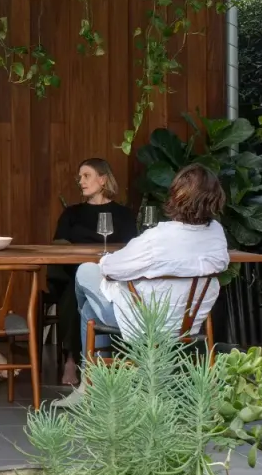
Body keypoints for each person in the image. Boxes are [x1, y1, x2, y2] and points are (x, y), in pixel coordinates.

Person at [55, 163, 229, 403]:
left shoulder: (158, 237)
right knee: (89, 309)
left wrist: (107, 263)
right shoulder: (216, 233)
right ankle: (94, 383)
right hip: (186, 323)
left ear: (177, 195)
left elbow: (112, 268)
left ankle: (91, 385)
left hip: (144, 322)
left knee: (85, 272)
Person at [47, 159, 139, 385]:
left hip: (115, 276)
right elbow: (58, 244)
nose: (81, 181)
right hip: (75, 272)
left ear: (103, 179)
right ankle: (71, 359)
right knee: (72, 291)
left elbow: (132, 246)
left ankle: (99, 363)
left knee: (90, 295)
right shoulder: (72, 213)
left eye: (86, 176)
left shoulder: (123, 214)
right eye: (79, 177)